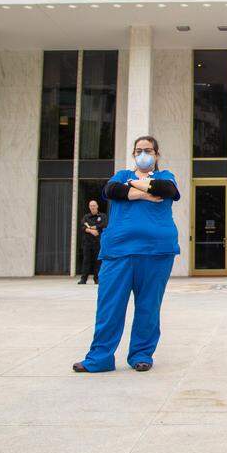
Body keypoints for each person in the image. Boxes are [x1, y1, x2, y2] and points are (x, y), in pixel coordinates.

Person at [74, 136, 180, 373]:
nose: (143, 154)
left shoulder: (165, 176)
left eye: (148, 150)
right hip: (118, 252)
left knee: (148, 306)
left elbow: (167, 191)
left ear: (157, 154)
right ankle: (100, 358)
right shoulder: (121, 175)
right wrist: (145, 193)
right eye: (139, 150)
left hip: (156, 252)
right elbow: (111, 190)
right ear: (133, 154)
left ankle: (141, 355)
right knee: (109, 306)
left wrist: (134, 188)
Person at [78, 199, 107, 285]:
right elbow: (82, 226)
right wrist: (90, 231)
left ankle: (97, 279)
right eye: (91, 206)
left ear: (97, 206)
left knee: (98, 261)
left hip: (98, 243)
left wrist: (94, 227)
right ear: (89, 207)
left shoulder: (102, 216)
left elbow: (104, 224)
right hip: (87, 243)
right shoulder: (86, 217)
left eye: (94, 205)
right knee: (86, 261)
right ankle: (83, 279)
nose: (93, 207)